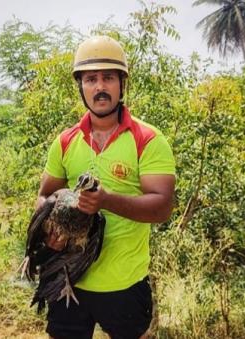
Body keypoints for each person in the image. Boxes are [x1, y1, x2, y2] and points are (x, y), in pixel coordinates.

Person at [36, 35, 176, 339]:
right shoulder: (65, 141)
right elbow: (44, 194)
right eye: (91, 79)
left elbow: (163, 206)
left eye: (108, 78)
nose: (100, 87)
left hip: (124, 284)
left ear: (122, 83)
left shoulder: (148, 139)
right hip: (68, 279)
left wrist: (106, 200)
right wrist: (49, 230)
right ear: (81, 86)